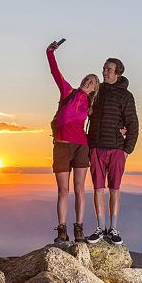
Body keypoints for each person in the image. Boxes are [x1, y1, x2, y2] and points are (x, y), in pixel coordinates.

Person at [46, 40, 98, 244]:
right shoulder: (68, 92)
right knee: (63, 190)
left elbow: (110, 116)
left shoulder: (92, 105)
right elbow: (55, 72)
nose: (88, 81)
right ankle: (61, 230)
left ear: (94, 88)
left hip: (81, 147)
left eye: (92, 81)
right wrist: (50, 51)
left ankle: (79, 229)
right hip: (61, 145)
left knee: (79, 188)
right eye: (87, 78)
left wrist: (124, 129)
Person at [86, 55, 138, 245]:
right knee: (98, 188)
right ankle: (100, 228)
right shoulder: (95, 92)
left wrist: (127, 150)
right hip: (96, 147)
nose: (104, 72)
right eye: (104, 68)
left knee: (114, 189)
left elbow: (133, 123)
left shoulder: (126, 96)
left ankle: (113, 229)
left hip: (116, 149)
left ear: (118, 72)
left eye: (108, 69)